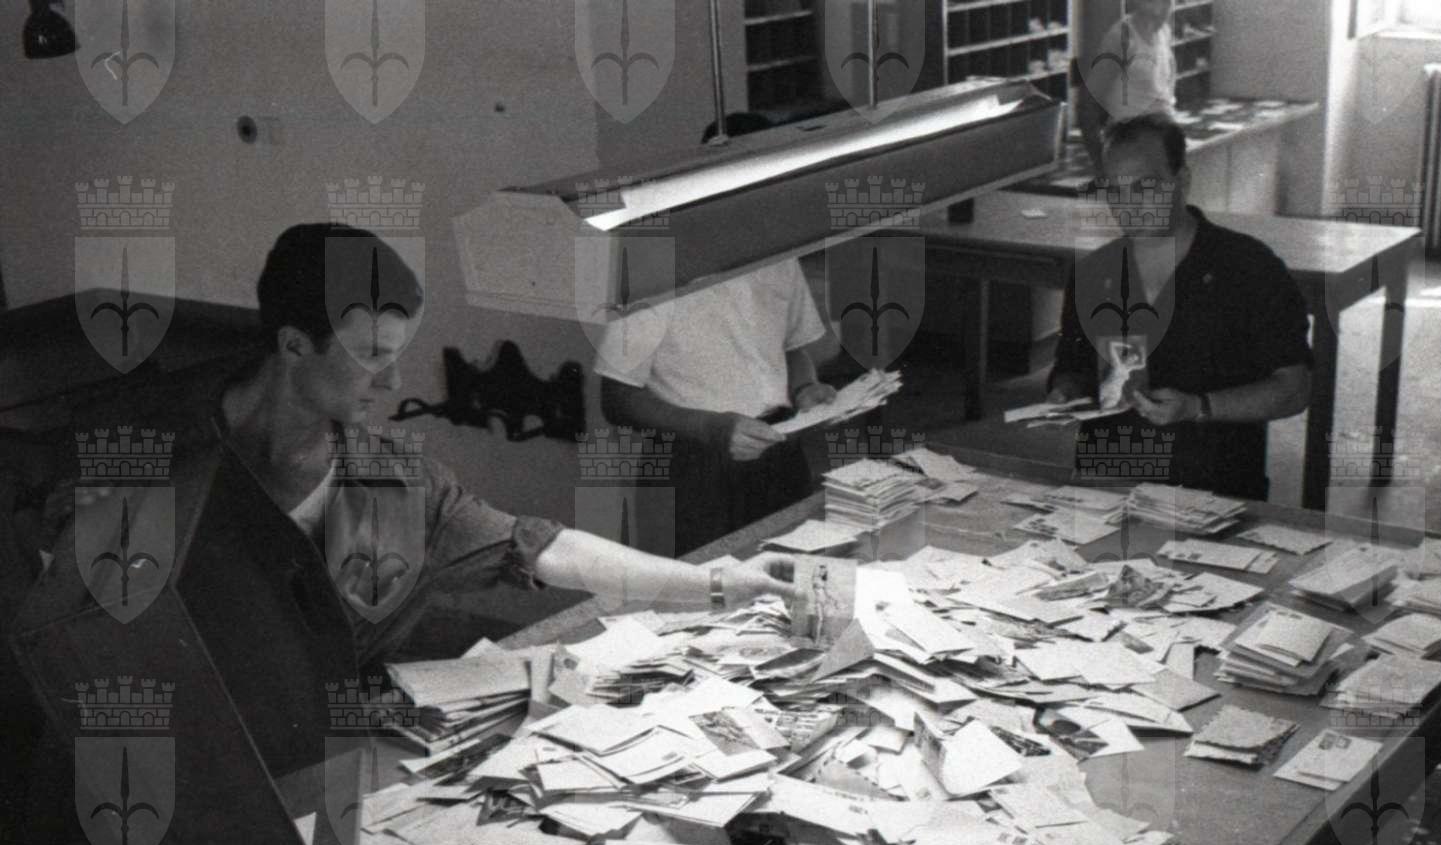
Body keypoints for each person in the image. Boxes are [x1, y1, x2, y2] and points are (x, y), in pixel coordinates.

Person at [36, 223, 794, 669]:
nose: (395, 381)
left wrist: (714, 584)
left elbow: (539, 547)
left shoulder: (389, 480)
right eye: (372, 355)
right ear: (295, 345)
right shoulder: (150, 459)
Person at [596, 113, 840, 557]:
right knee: (703, 586)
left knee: (792, 569)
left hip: (778, 443)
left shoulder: (777, 249)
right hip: (694, 458)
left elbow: (790, 348)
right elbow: (616, 398)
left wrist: (806, 388)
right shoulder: (655, 262)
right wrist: (710, 428)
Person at [1046, 113, 1312, 502]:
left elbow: (1295, 388)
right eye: (1115, 191)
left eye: (1145, 187)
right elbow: (1072, 365)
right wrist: (1065, 391)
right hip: (1109, 482)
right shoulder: (1094, 272)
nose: (1128, 205)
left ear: (1182, 181)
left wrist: (1199, 407)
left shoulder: (1247, 266)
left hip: (1213, 487)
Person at [1078, 0, 1178, 167]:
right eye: (1152, 2)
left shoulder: (1163, 32)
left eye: (1166, 3)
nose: (1158, 11)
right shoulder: (1121, 38)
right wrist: (1100, 163)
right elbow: (1088, 104)